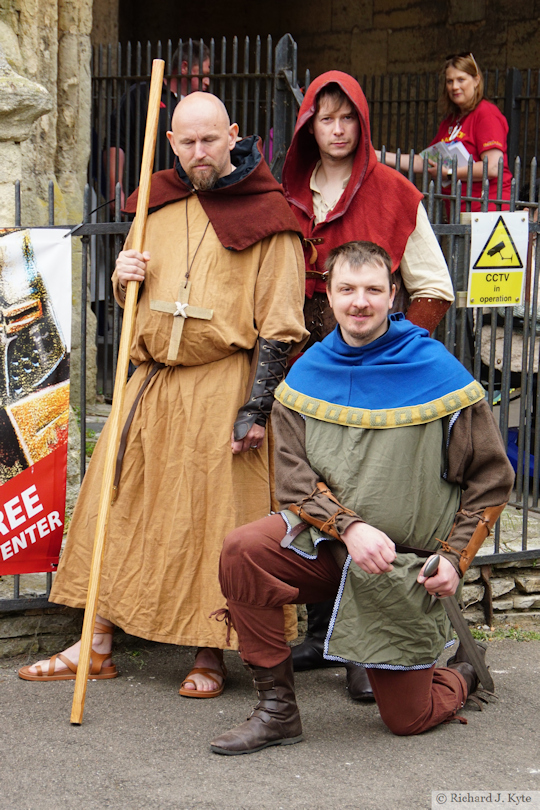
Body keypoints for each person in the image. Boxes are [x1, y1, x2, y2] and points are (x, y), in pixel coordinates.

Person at [18, 92, 308, 696]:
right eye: (187, 142)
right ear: (171, 143)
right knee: (116, 507)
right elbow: (137, 303)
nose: (199, 153)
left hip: (222, 386)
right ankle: (94, 644)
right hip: (151, 383)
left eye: (210, 139)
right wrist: (125, 281)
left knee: (214, 519)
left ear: (233, 134)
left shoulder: (269, 216)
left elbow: (280, 323)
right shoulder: (157, 200)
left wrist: (256, 408)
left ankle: (211, 651)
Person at [209, 240, 514, 755]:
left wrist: (456, 560)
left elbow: (490, 480)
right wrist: (349, 527)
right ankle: (277, 711)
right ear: (328, 295)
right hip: (328, 547)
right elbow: (294, 482)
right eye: (347, 289)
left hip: (403, 569)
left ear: (393, 295)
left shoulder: (438, 373)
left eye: (373, 289)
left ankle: (460, 671)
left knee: (407, 720)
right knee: (242, 550)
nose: (359, 302)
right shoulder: (305, 375)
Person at [281, 70, 455, 695]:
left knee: (369, 500)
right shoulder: (288, 191)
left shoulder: (396, 192)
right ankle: (325, 632)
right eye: (323, 117)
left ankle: (368, 646)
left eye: (346, 117)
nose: (335, 128)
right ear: (308, 125)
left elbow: (434, 286)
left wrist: (399, 353)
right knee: (310, 494)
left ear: (362, 122)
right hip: (307, 372)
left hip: (379, 373)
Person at [380, 53, 513, 212]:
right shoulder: (451, 120)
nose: (454, 86)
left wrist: (449, 173)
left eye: (461, 79)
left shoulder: (486, 114)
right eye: (450, 81)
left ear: (476, 80)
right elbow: (425, 161)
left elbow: (492, 167)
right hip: (460, 210)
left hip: (487, 211)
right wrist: (378, 156)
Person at [108, 41, 211, 209]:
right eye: (204, 74)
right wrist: (115, 189)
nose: (207, 81)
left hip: (188, 199)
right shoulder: (142, 95)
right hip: (143, 196)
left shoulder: (201, 104)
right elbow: (116, 142)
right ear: (185, 67)